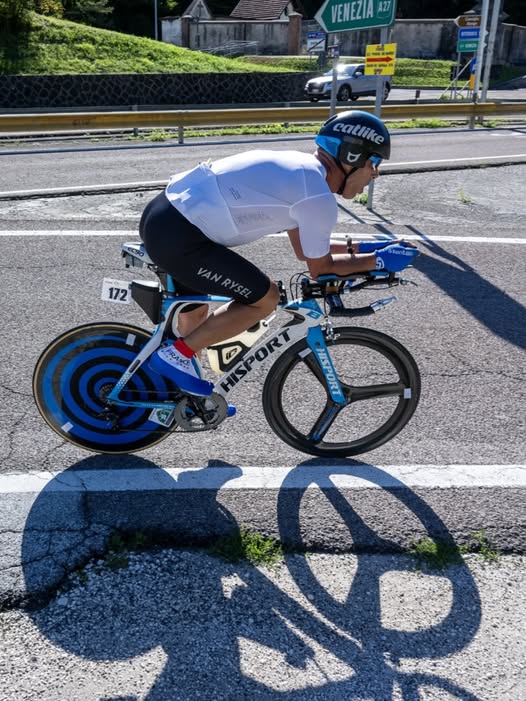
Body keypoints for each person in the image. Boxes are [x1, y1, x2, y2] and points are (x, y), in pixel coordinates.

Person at [139, 110, 418, 397]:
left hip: (165, 216)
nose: (375, 173)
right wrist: (380, 261)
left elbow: (307, 248)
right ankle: (174, 357)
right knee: (265, 299)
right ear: (352, 156)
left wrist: (368, 248)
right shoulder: (316, 196)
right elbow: (320, 268)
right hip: (181, 237)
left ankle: (179, 397)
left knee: (196, 315)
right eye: (374, 162)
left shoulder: (304, 172)